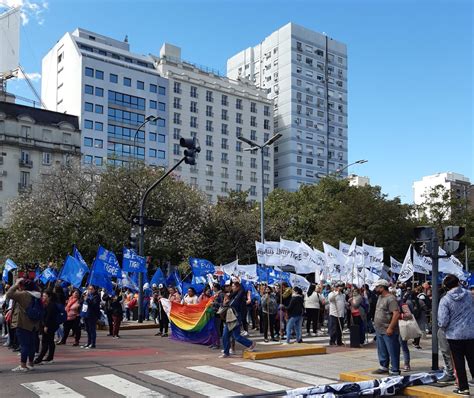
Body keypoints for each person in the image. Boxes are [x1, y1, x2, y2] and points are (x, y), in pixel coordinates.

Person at [438, 274, 474, 396]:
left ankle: (463, 388)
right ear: (458, 282)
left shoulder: (445, 300)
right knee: (473, 359)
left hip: (454, 335)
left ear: (446, 286)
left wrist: (444, 327)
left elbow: (442, 321)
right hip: (470, 333)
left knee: (459, 362)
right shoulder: (469, 295)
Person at [6, 278, 41, 372]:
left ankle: (23, 365)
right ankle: (31, 364)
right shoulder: (38, 295)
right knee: (32, 345)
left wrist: (16, 283)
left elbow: (9, 294)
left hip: (23, 323)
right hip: (34, 324)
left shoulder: (24, 295)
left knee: (24, 345)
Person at [219, 280, 256, 358]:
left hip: (236, 318)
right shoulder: (231, 296)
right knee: (225, 335)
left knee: (236, 336)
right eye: (231, 286)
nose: (232, 288)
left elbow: (241, 292)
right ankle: (226, 352)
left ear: (238, 287)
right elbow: (226, 305)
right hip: (229, 318)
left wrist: (239, 280)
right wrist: (225, 302)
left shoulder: (240, 296)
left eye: (233, 286)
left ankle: (250, 344)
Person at [372, 279, 401, 376]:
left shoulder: (391, 299)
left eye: (377, 287)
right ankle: (384, 366)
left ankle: (395, 369)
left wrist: (391, 328)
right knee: (382, 349)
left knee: (392, 349)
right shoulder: (380, 297)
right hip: (379, 329)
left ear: (382, 287)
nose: (375, 289)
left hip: (388, 329)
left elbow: (396, 314)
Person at [34, 290, 59, 364]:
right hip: (47, 325)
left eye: (45, 296)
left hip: (49, 326)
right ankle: (50, 357)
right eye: (43, 296)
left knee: (45, 342)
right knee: (50, 341)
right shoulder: (45, 304)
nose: (43, 297)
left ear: (49, 297)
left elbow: (49, 317)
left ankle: (39, 358)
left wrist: (46, 326)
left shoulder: (51, 305)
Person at [81, 285, 100, 349]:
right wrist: (83, 297)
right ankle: (88, 342)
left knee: (92, 330)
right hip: (86, 314)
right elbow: (83, 303)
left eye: (91, 289)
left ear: (94, 290)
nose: (90, 290)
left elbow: (94, 305)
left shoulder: (96, 296)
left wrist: (88, 300)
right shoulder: (88, 295)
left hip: (92, 315)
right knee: (88, 329)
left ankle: (93, 343)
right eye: (89, 289)